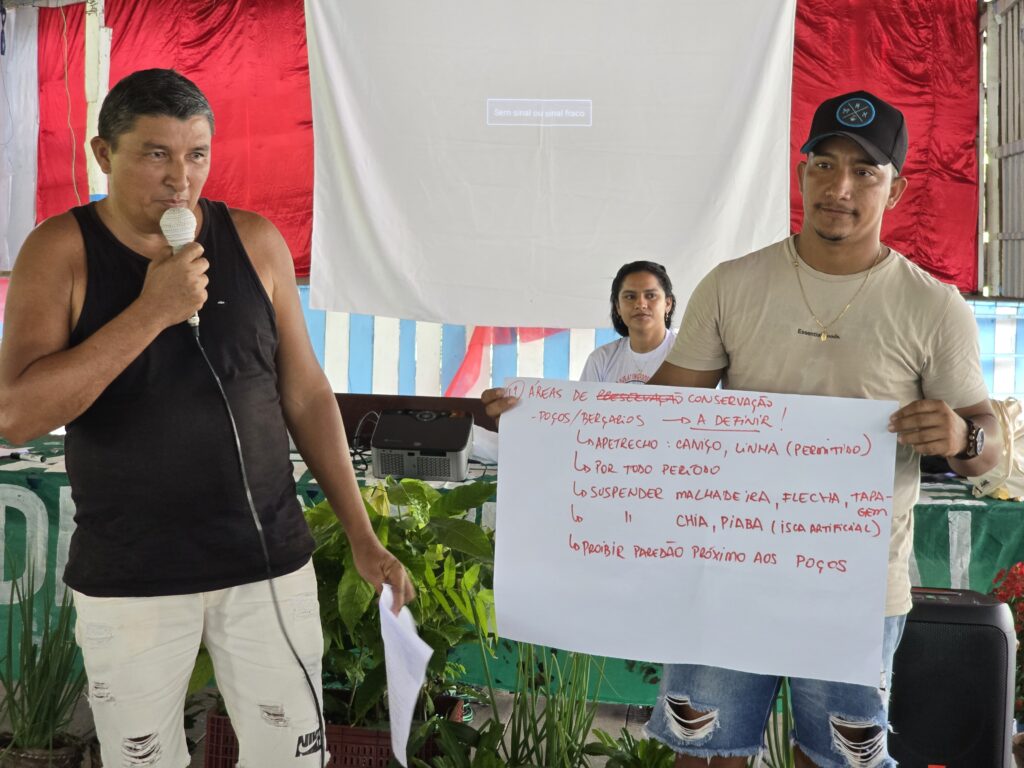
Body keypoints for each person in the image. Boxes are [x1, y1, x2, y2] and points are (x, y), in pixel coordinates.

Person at [484, 90, 999, 767]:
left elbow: (990, 447)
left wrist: (964, 437)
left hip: (854, 592)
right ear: (802, 171)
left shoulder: (933, 307)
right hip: (725, 578)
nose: (838, 187)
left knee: (840, 758)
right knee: (707, 754)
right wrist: (544, 422)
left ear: (895, 189)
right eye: (823, 164)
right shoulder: (733, 285)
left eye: (864, 172)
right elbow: (657, 417)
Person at [0, 69, 414, 767]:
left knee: (292, 756)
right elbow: (17, 415)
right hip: (130, 571)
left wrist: (362, 533)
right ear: (104, 155)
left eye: (196, 154)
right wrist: (152, 311)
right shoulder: (60, 250)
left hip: (264, 564)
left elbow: (307, 394)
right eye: (155, 154)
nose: (179, 178)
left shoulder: (254, 240)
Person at [579, 260, 677, 384]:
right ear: (618, 307)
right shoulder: (600, 360)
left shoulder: (689, 355)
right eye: (630, 297)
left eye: (651, 295)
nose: (640, 304)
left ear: (668, 303)